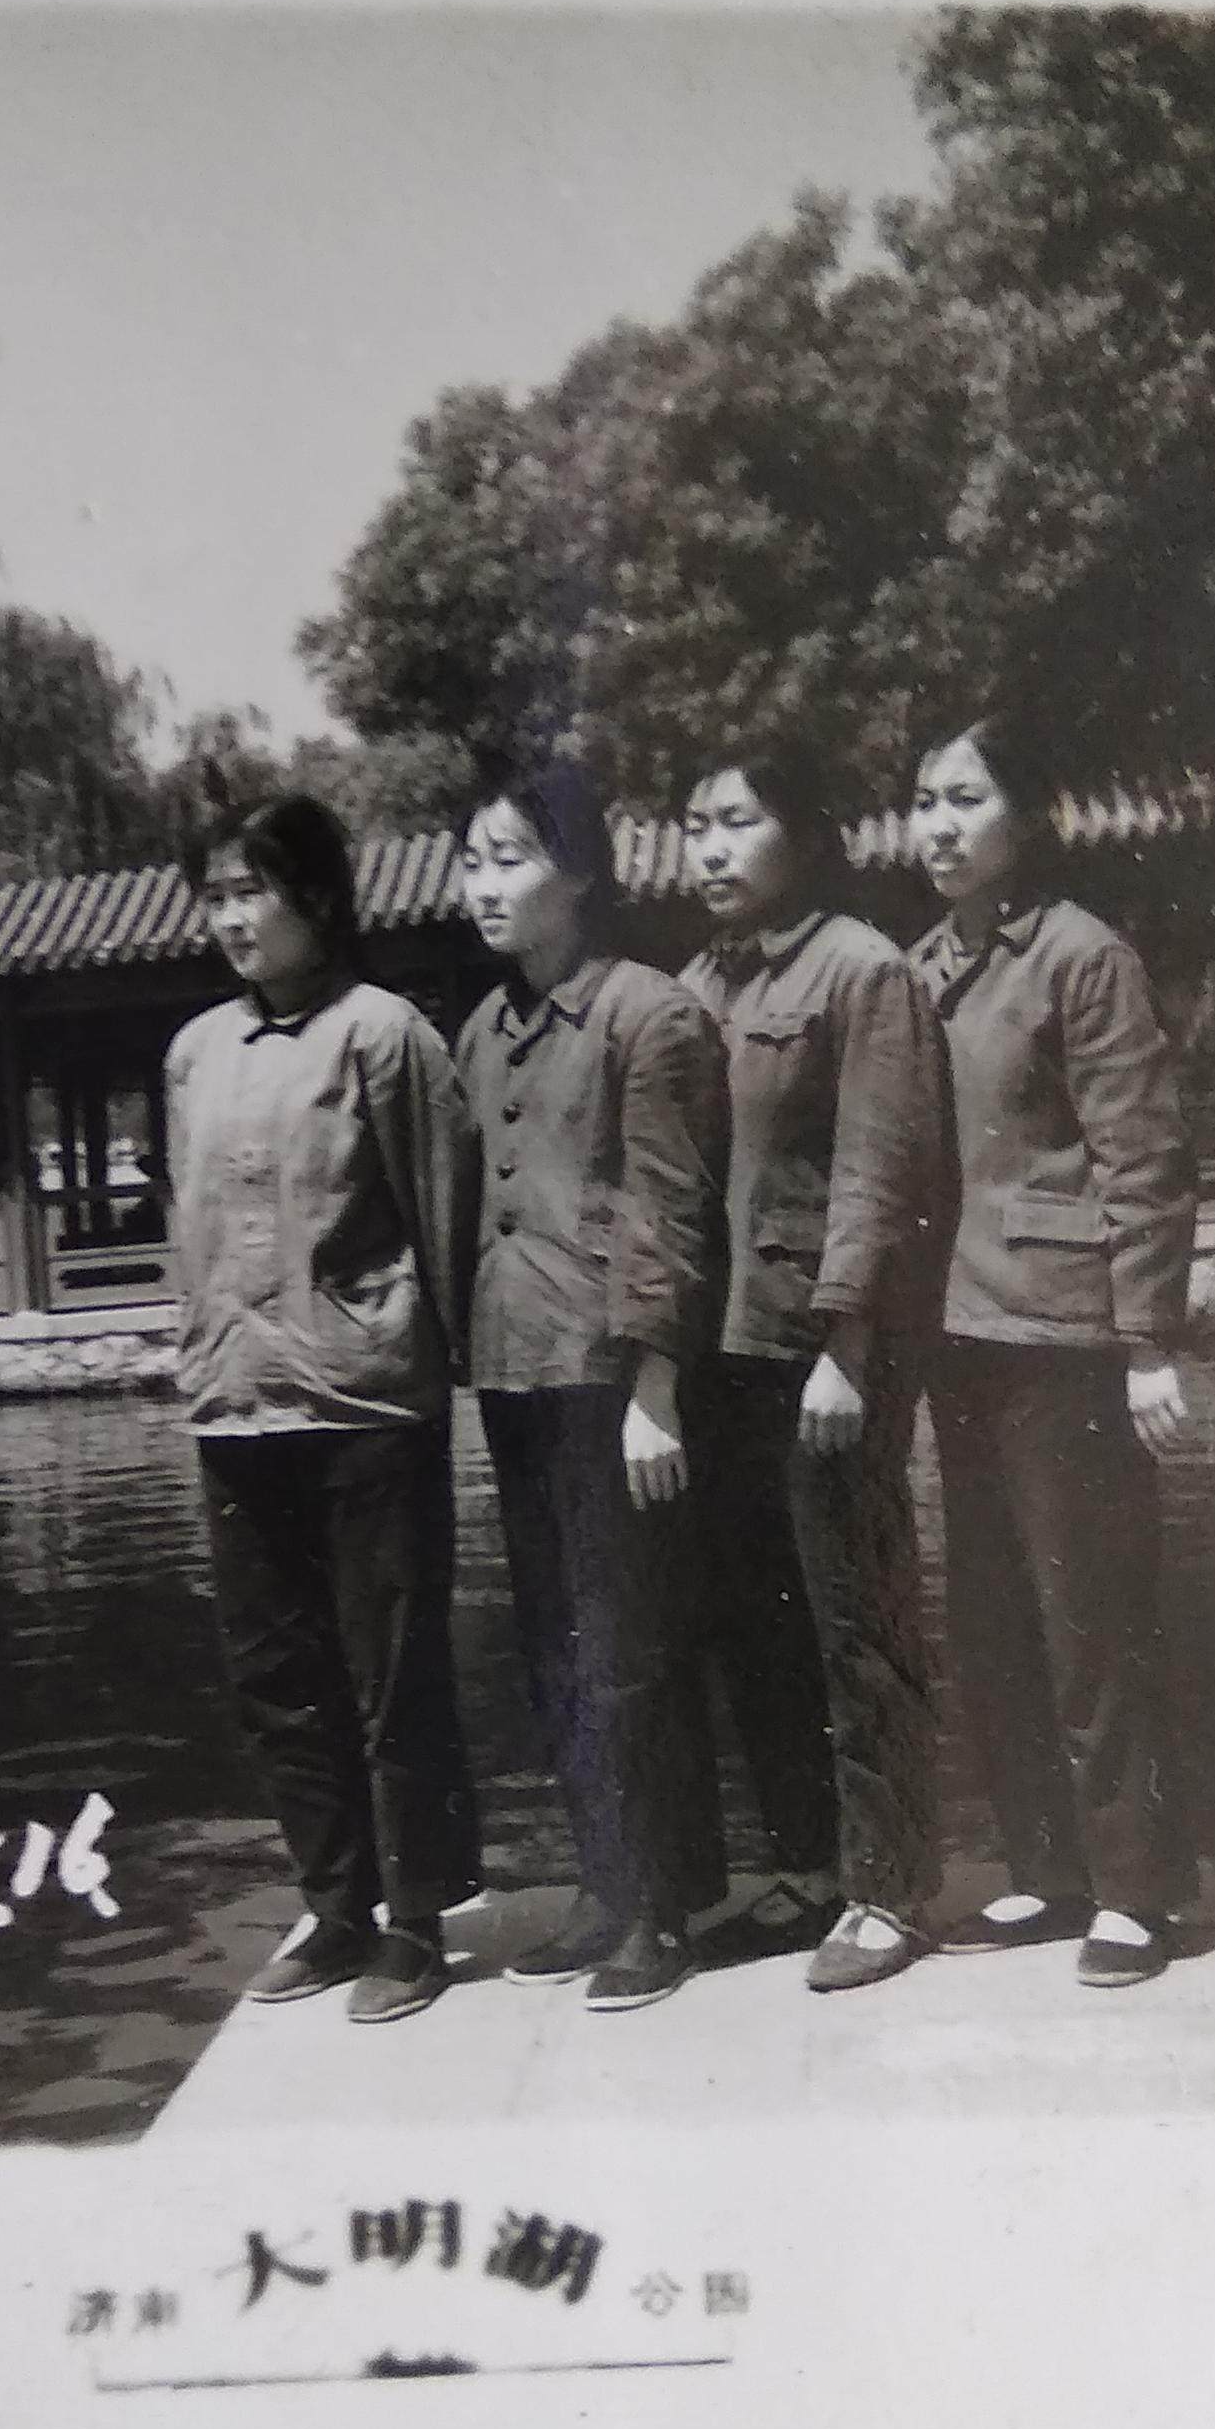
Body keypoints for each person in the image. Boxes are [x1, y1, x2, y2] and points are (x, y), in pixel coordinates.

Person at [167, 791, 482, 2028]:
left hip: (364, 1400)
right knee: (275, 1672)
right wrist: (198, 1352)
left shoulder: (385, 1034)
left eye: (253, 888)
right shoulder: (192, 1051)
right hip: (235, 1406)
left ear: (316, 896)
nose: (232, 916)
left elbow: (442, 1210)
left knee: (391, 1666)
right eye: (216, 893)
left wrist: (434, 1367)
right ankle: (335, 1904)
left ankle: (416, 1918)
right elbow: (185, 1225)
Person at [907, 712, 1198, 1987]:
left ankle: (1136, 1886)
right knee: (991, 1620)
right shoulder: (923, 968)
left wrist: (1149, 1342)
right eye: (923, 801)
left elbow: (1142, 1154)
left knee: (1089, 1616)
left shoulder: (1082, 956)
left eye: (965, 798)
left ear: (1025, 814)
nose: (938, 825)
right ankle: (1044, 1870)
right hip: (957, 1338)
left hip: (1066, 1336)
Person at [452, 773, 728, 2011]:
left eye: (509, 857)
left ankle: (663, 1907)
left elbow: (672, 1209)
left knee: (630, 1651)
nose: (482, 883)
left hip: (614, 1382)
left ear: (578, 873)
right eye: (470, 860)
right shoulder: (482, 1031)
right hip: (517, 1376)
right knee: (556, 1653)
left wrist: (656, 1382)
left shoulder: (648, 1016)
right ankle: (606, 1886)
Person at [679, 761, 955, 1992]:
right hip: (722, 1349)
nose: (711, 847)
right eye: (695, 826)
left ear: (805, 833)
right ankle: (803, 1871)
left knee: (855, 1617)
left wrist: (847, 1343)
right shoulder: (696, 987)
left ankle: (889, 1891)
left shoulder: (862, 969)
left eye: (738, 821)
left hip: (820, 1350)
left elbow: (877, 1173)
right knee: (757, 1622)